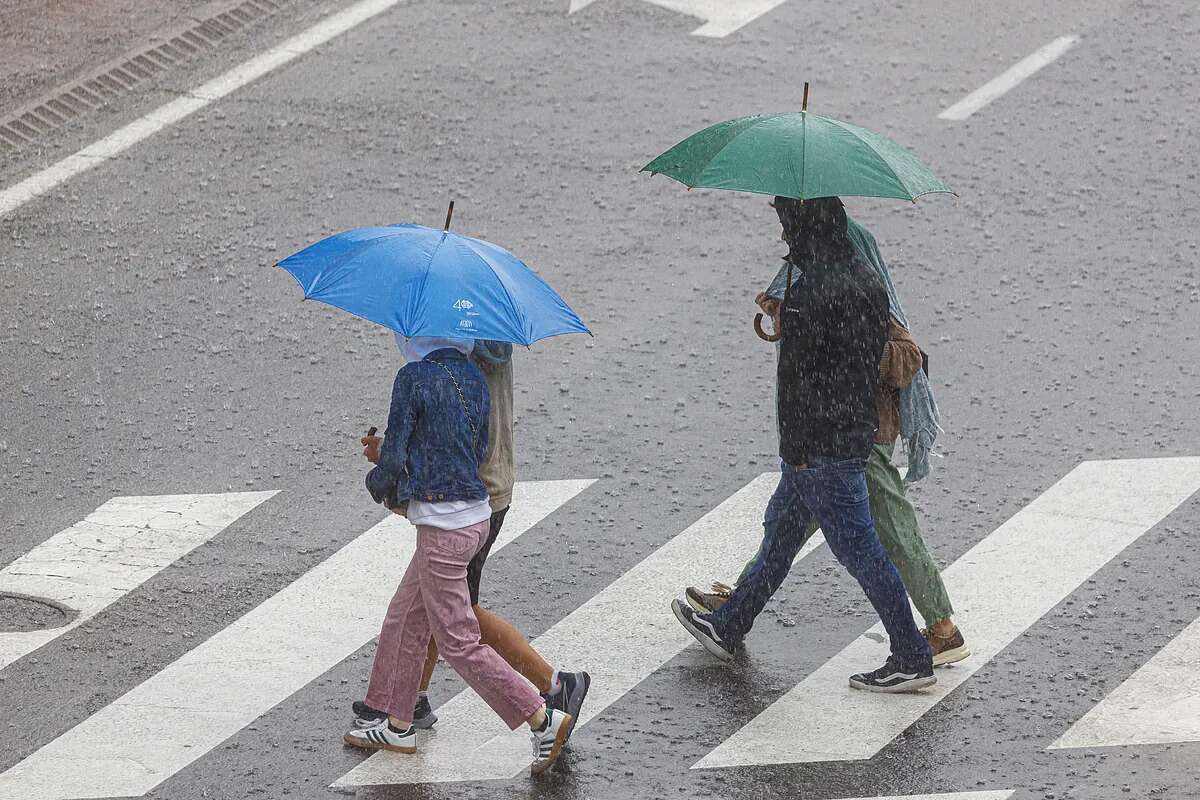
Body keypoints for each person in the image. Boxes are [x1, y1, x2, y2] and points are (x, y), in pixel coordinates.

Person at [670, 196, 936, 692]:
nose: (782, 233)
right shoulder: (865, 279)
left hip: (819, 445)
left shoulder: (810, 292)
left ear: (804, 225)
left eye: (785, 221)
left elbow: (804, 375)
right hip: (845, 433)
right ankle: (729, 624)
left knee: (860, 549)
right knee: (781, 536)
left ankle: (911, 653)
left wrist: (789, 312)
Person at [343, 335, 571, 774]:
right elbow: (461, 449)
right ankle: (392, 715)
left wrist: (379, 475)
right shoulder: (473, 377)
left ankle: (542, 718)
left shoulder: (414, 377)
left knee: (459, 642)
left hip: (442, 529)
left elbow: (394, 462)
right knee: (406, 616)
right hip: (474, 518)